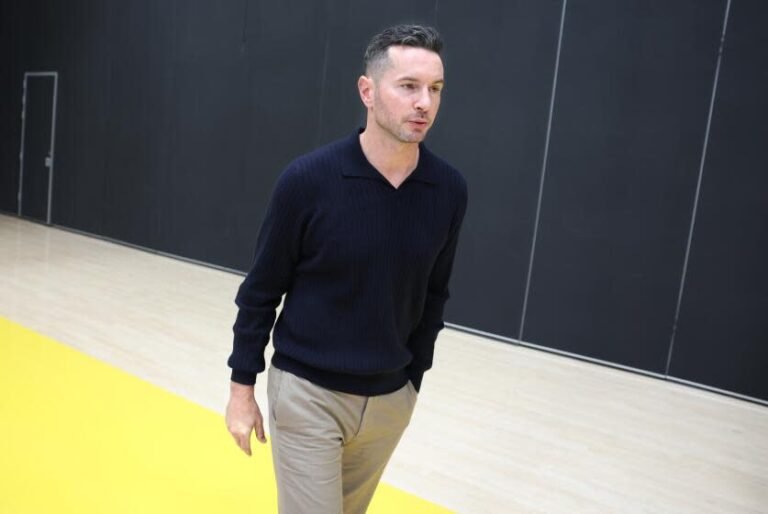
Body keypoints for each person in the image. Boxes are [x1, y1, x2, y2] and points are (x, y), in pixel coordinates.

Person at [225, 23, 467, 514]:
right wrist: (241, 389)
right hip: (308, 396)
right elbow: (261, 291)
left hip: (387, 403)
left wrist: (411, 384)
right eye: (408, 86)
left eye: (435, 89)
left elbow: (434, 295)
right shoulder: (307, 181)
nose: (424, 102)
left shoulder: (448, 190)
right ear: (368, 91)